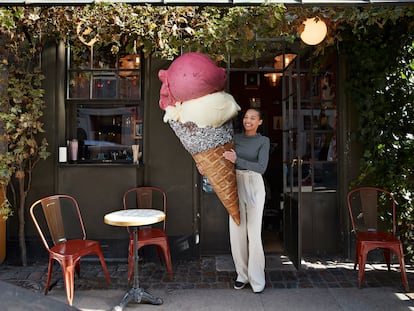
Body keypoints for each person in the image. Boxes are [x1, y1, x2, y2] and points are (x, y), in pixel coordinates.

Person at [223, 108, 270, 294]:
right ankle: (241, 275)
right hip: (236, 183)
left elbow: (261, 167)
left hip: (254, 184)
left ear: (260, 122)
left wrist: (237, 159)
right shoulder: (236, 138)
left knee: (254, 233)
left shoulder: (263, 141)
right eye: (245, 117)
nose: (247, 120)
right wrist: (205, 168)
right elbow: (225, 159)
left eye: (252, 117)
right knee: (236, 232)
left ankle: (257, 278)